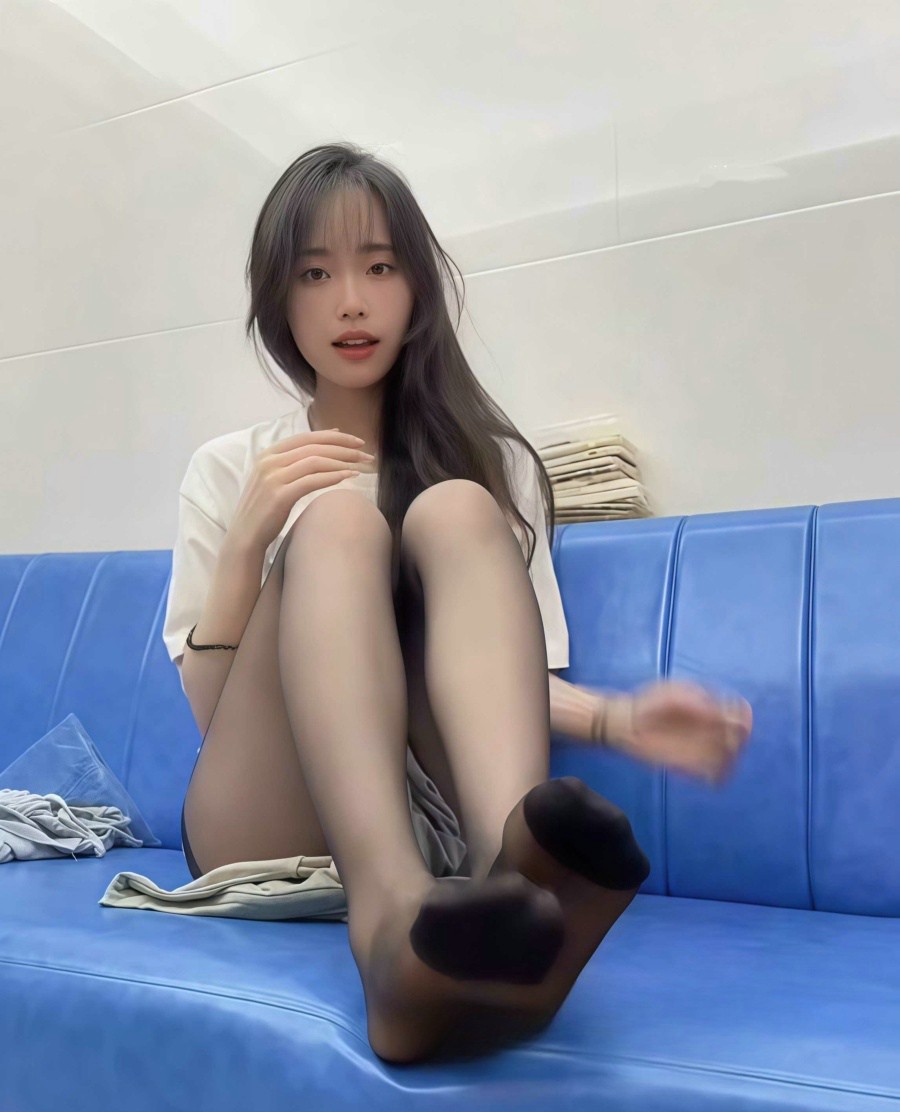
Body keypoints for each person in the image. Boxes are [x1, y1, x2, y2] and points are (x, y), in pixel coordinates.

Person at [163, 142, 752, 1064]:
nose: (350, 301)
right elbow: (211, 715)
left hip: (432, 817)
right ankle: (388, 930)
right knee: (339, 525)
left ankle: (515, 885)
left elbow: (487, 685)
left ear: (417, 288)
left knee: (455, 508)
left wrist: (618, 718)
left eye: (378, 267)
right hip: (265, 818)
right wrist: (248, 546)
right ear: (279, 298)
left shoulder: (494, 464)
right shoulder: (231, 467)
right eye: (315, 273)